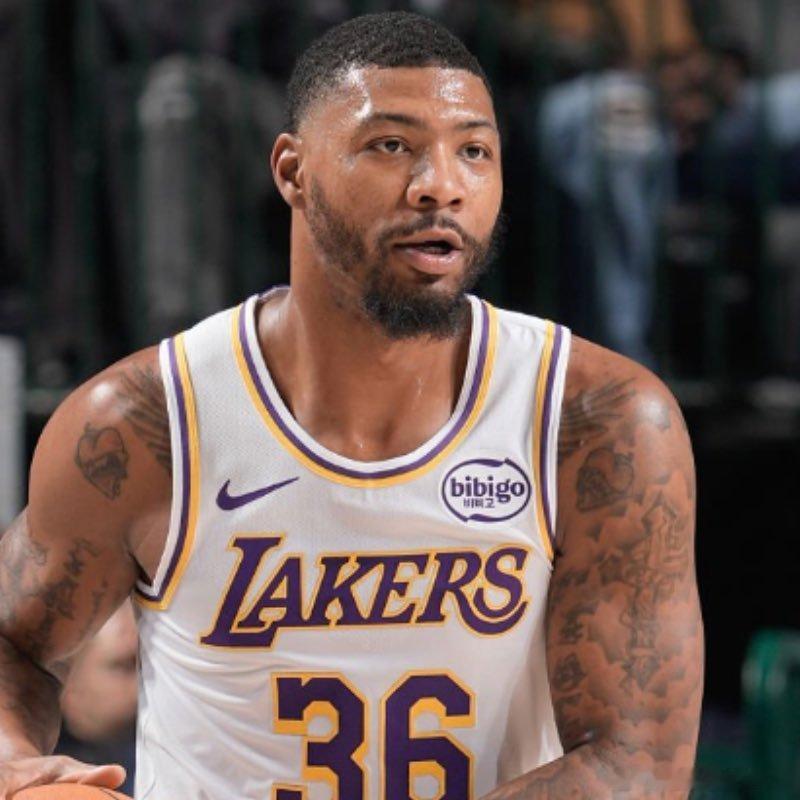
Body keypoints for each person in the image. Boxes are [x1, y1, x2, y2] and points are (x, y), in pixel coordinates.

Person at [0, 12, 702, 799]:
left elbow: (635, 768)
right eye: (392, 145)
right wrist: (15, 763)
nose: (441, 184)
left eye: (474, 151)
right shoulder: (144, 423)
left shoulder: (598, 421)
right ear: (292, 171)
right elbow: (13, 643)